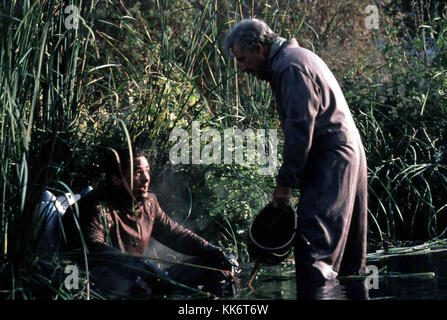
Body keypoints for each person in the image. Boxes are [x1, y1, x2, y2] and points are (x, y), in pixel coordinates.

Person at [224, 19, 368, 293]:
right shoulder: (297, 58)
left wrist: (285, 184)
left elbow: (300, 127)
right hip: (347, 152)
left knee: (315, 255)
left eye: (243, 59)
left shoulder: (289, 66)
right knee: (350, 263)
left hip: (332, 156)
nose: (242, 68)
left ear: (259, 48)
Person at [62, 147, 238, 297]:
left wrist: (214, 251)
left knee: (215, 268)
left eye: (147, 171)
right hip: (110, 286)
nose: (146, 179)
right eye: (138, 172)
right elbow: (97, 251)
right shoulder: (96, 207)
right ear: (116, 179)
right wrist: (143, 268)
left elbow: (175, 235)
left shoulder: (148, 203)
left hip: (146, 277)